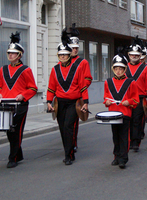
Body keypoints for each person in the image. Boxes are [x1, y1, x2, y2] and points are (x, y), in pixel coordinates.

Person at [47, 28, 91, 165]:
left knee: (68, 126)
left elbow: (83, 86)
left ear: (69, 55)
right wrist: (49, 102)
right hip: (60, 103)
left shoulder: (78, 67)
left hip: (73, 102)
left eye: (65, 54)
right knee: (62, 128)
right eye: (61, 55)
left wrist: (86, 102)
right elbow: (51, 88)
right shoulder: (54, 69)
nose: (63, 57)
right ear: (58, 56)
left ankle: (69, 154)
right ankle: (68, 149)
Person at [0, 32, 38, 168]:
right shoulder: (3, 69)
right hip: (6, 104)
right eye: (9, 53)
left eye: (14, 53)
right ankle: (18, 153)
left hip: (20, 105)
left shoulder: (26, 70)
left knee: (16, 130)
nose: (10, 55)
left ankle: (12, 157)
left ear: (20, 55)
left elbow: (33, 88)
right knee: (9, 131)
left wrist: (23, 95)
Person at [103, 49, 139, 169]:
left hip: (125, 114)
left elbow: (136, 99)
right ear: (113, 69)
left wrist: (128, 102)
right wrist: (106, 102)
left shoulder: (131, 82)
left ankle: (123, 158)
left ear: (125, 70)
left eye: (121, 69)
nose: (118, 71)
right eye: (116, 68)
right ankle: (116, 156)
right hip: (113, 114)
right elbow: (106, 96)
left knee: (124, 136)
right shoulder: (108, 82)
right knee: (115, 136)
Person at [126, 36, 147, 152]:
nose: (134, 56)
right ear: (129, 55)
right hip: (127, 99)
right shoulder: (124, 67)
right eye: (132, 54)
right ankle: (128, 140)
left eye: (136, 55)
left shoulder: (146, 69)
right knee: (128, 121)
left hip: (140, 98)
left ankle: (135, 142)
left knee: (137, 121)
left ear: (140, 55)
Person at [68, 24, 93, 152]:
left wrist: (80, 88)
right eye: (73, 48)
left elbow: (88, 79)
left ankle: (73, 143)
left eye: (77, 48)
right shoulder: (62, 62)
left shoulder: (83, 62)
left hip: (77, 96)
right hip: (64, 97)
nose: (75, 50)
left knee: (74, 123)